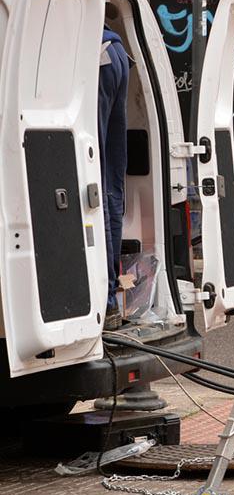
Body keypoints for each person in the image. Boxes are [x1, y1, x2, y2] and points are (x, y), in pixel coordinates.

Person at [98, 18, 130, 330]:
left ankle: (107, 300)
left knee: (96, 179)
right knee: (111, 182)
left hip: (96, 57)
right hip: (114, 50)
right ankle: (112, 297)